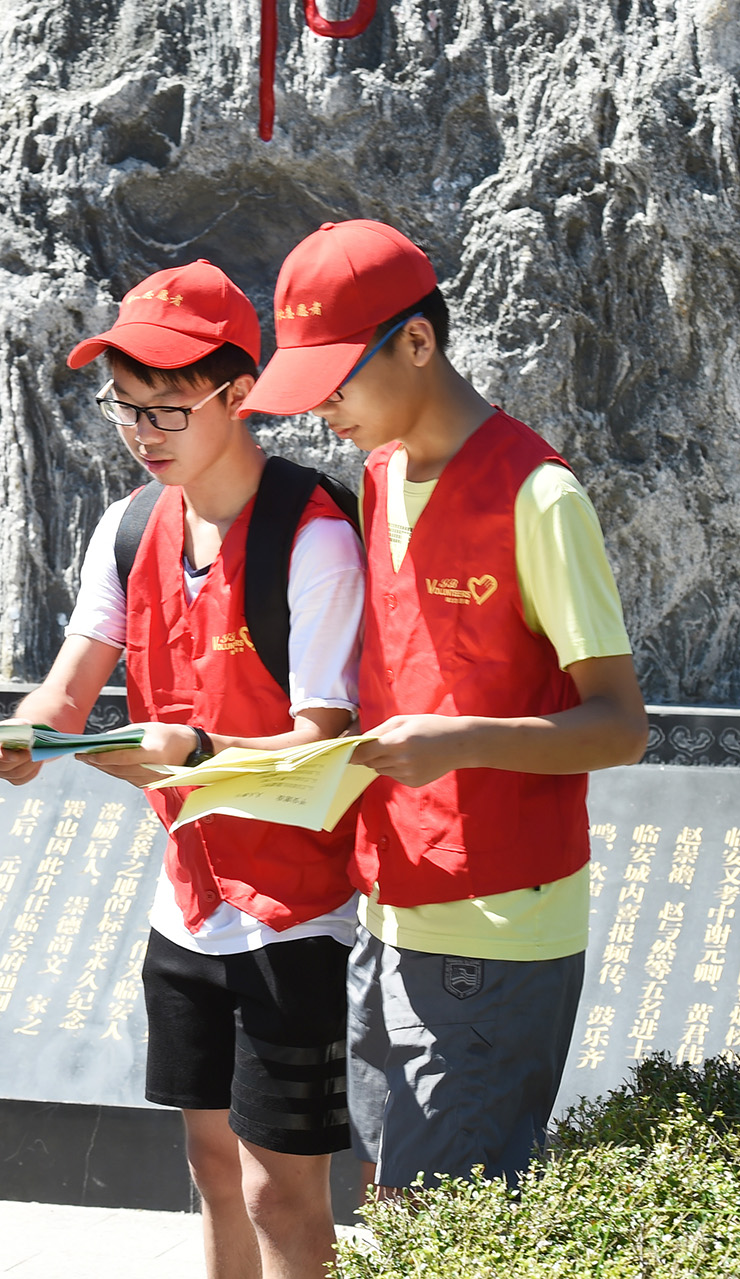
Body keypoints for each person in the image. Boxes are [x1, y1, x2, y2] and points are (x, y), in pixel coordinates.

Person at [236, 219, 649, 1194]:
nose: (323, 407)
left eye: (339, 377)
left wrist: (456, 741)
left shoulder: (537, 497)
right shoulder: (380, 474)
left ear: (417, 341)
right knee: (406, 1213)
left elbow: (620, 724)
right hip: (389, 914)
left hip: (494, 930)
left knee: (441, 1227)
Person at [0, 261, 366, 1279]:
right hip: (186, 898)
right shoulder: (127, 529)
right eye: (122, 410)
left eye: (164, 410)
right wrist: (23, 734)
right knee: (205, 1161)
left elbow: (324, 739)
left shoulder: (312, 536)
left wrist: (194, 755)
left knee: (278, 1186)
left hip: (297, 908)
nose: (141, 435)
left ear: (239, 394)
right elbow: (66, 691)